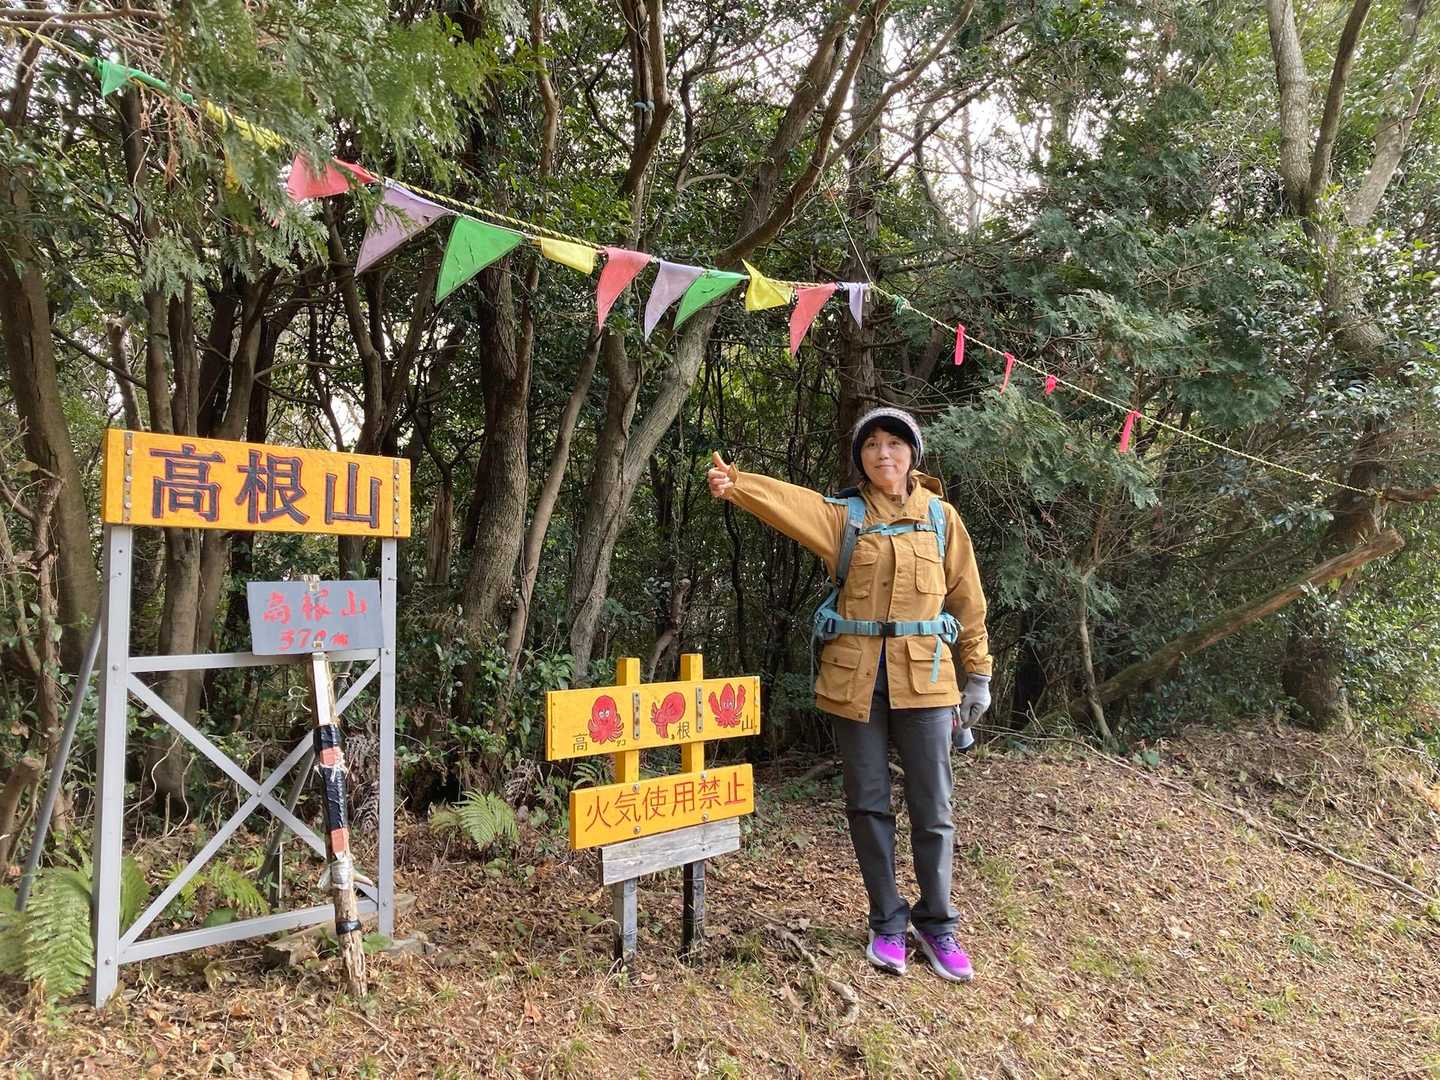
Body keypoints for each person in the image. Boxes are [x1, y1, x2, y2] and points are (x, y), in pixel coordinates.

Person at [706, 406, 992, 982]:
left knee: (934, 808)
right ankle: (886, 921)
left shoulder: (941, 518)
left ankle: (937, 923)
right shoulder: (846, 517)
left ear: (912, 454)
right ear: (861, 457)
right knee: (867, 804)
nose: (883, 453)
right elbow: (792, 505)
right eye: (872, 444)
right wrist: (738, 486)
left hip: (927, 680)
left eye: (894, 443)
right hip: (855, 679)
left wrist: (978, 673)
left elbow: (967, 598)